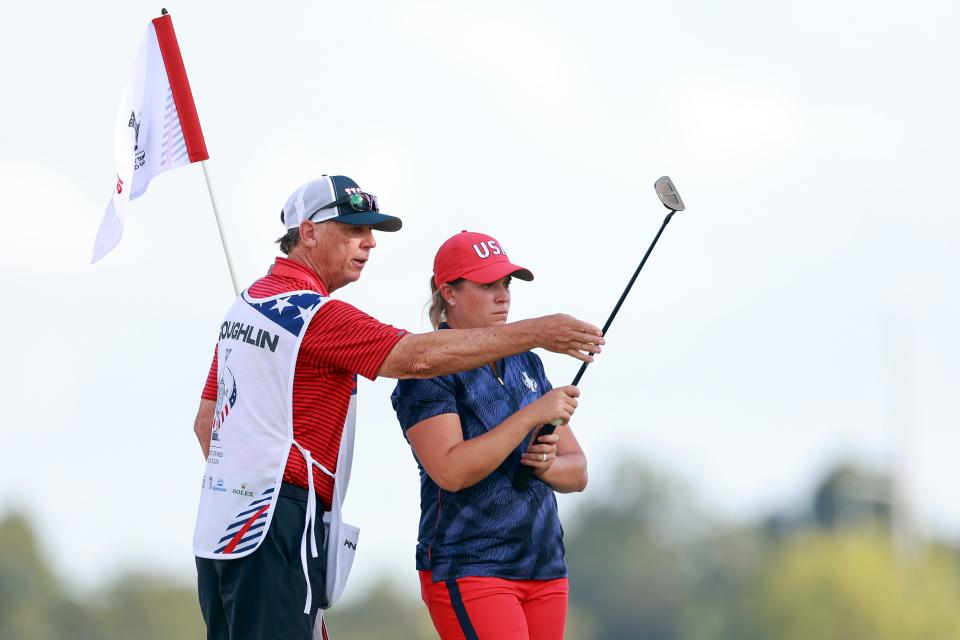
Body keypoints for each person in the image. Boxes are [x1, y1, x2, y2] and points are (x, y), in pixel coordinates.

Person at [191, 177, 603, 640]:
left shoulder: (247, 305)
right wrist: (539, 332)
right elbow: (414, 359)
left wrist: (248, 490)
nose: (367, 243)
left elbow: (207, 424)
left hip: (224, 524)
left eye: (370, 232)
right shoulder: (313, 313)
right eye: (351, 229)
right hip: (279, 521)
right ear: (307, 233)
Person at [391, 230, 589, 640]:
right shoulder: (426, 369)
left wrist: (546, 466)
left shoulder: (527, 363)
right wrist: (531, 415)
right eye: (487, 286)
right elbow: (451, 470)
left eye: (506, 284)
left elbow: (578, 472)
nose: (503, 296)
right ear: (449, 292)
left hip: (545, 565)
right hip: (470, 565)